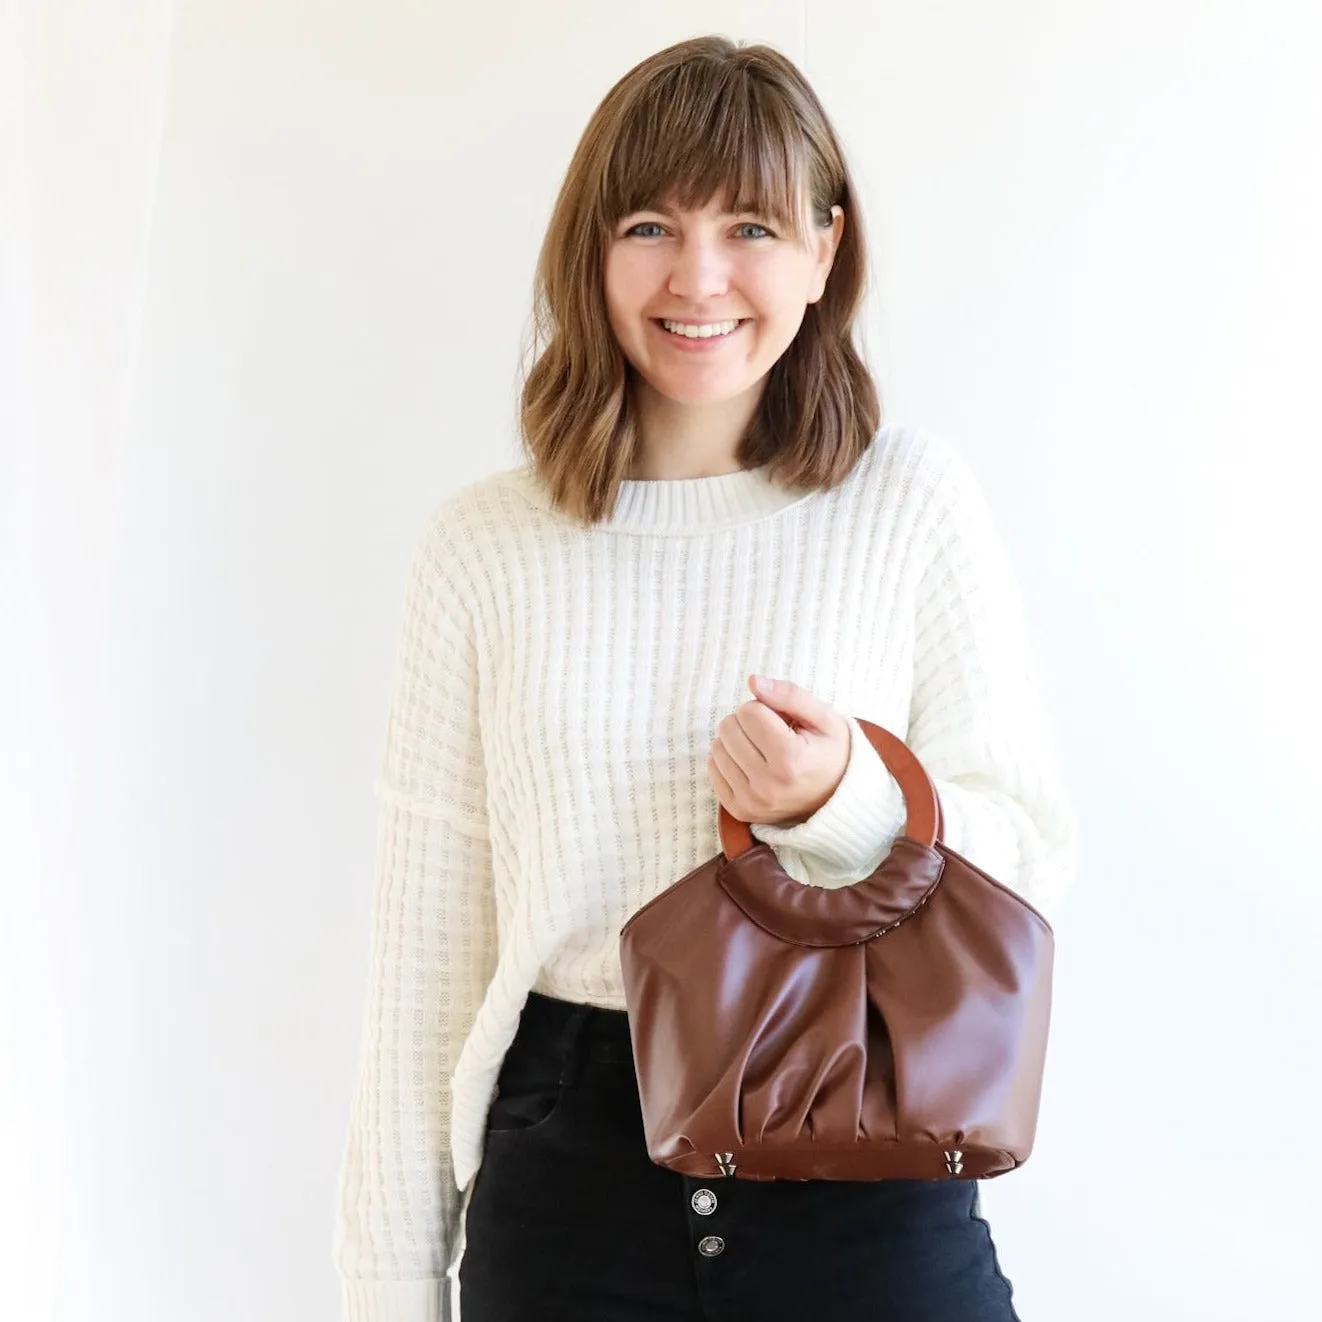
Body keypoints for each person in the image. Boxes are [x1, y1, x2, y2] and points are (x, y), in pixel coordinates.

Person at [333, 33, 1076, 1322]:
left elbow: (1030, 859)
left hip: (857, 1151)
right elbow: (423, 975)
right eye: (649, 225)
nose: (700, 277)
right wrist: (387, 1289)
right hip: (571, 1174)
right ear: (591, 250)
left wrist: (845, 800)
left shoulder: (909, 504)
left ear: (826, 250)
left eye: (750, 226)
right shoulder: (483, 549)